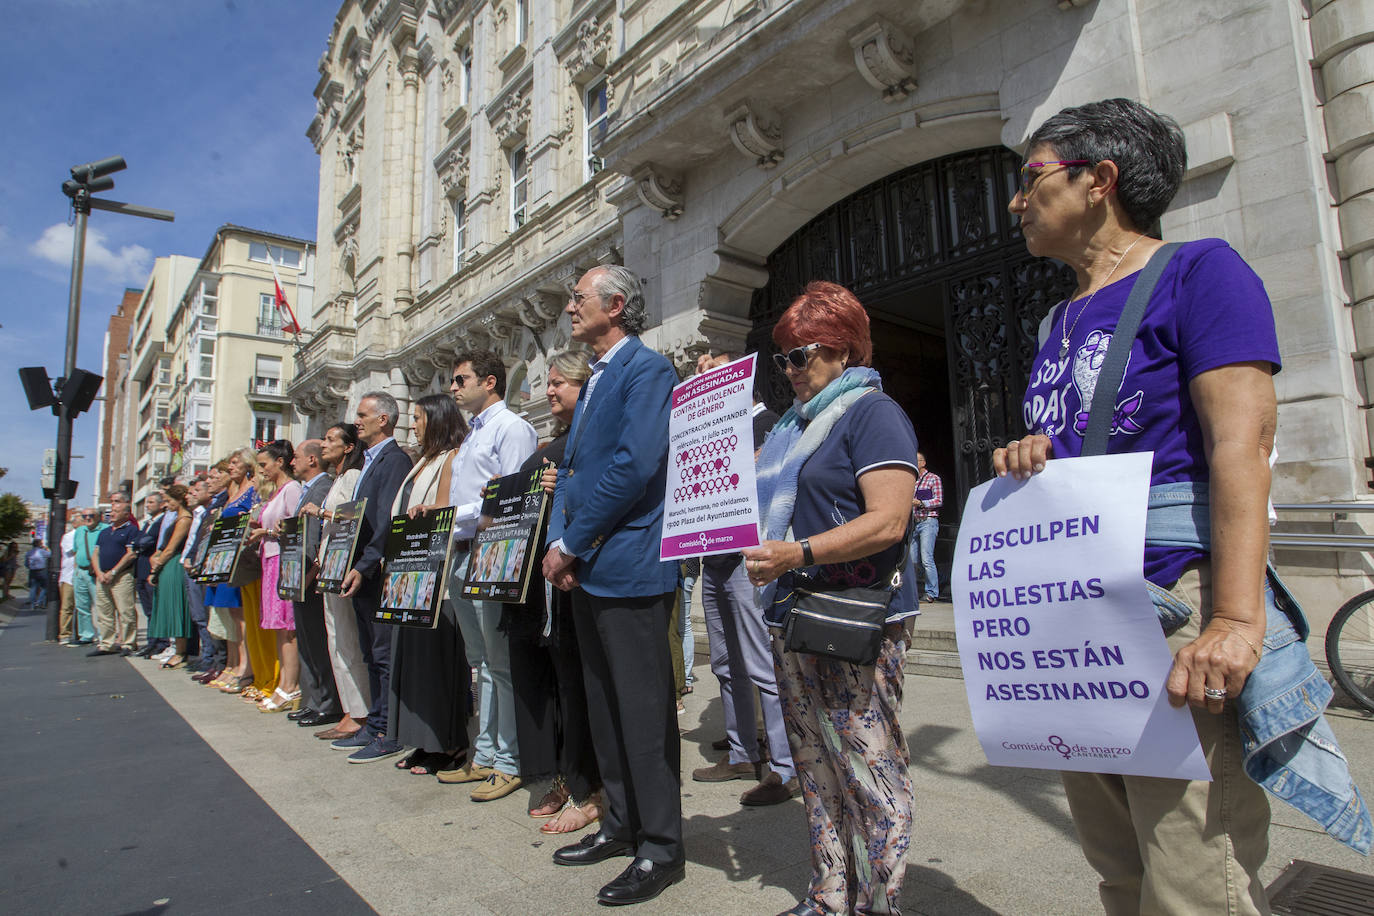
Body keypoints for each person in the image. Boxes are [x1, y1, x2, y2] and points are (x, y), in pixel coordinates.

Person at [995, 97, 1370, 913]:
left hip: (1172, 611)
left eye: (1030, 178)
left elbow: (1243, 444)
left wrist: (1235, 621)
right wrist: (1031, 457)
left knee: (1195, 876)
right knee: (1120, 868)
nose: (1016, 202)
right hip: (1079, 622)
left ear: (1100, 179)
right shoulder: (1055, 321)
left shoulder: (1202, 272)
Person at [743, 280, 918, 916]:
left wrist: (800, 552)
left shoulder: (874, 414)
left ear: (845, 352)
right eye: (782, 356)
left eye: (803, 353)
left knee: (871, 774)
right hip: (796, 615)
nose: (789, 368)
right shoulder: (792, 430)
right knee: (816, 771)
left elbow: (888, 521)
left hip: (856, 617)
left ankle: (877, 904)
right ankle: (828, 897)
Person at [541, 265, 684, 906]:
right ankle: (621, 825)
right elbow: (576, 468)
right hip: (591, 568)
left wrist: (573, 540)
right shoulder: (596, 376)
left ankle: (660, 846)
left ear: (616, 305)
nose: (571, 308)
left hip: (628, 566)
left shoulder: (645, 371)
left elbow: (634, 464)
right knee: (602, 705)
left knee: (642, 712)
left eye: (580, 298)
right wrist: (568, 546)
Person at [421, 349, 537, 800]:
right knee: (481, 663)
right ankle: (484, 754)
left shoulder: (512, 428)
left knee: (501, 664)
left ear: (490, 382)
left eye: (460, 379)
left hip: (494, 551)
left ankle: (510, 760)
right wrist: (444, 516)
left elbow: (514, 495)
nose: (453, 388)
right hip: (464, 551)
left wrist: (452, 512)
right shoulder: (472, 436)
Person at [693, 373, 797, 807]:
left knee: (758, 659)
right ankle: (741, 751)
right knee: (723, 658)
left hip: (745, 557)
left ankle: (784, 764)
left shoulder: (770, 424)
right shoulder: (710, 432)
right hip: (713, 558)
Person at [510, 349, 602, 834]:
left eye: (559, 383)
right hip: (546, 589)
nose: (548, 391)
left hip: (581, 579)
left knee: (583, 685)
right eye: (547, 383)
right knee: (563, 684)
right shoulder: (552, 446)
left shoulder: (586, 442)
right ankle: (572, 775)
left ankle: (589, 785)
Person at [388, 394, 469, 776]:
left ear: (436, 420)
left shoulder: (450, 458)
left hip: (437, 579)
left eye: (418, 418)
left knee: (436, 665)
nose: (413, 425)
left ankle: (447, 744)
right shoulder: (420, 462)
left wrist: (427, 512)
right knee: (413, 662)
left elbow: (444, 507)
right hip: (409, 575)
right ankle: (421, 741)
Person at [338, 392, 414, 762]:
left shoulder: (395, 459)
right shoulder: (368, 461)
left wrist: (364, 565)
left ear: (383, 419)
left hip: (377, 571)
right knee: (370, 651)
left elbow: (387, 520)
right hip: (362, 572)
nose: (357, 421)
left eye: (364, 414)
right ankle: (375, 721)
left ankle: (388, 729)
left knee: (383, 653)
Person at [299, 422, 371, 741]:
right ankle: (348, 708)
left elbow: (355, 516)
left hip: (343, 566)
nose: (324, 444)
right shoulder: (338, 478)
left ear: (348, 447)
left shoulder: (354, 477)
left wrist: (322, 513)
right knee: (335, 639)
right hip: (330, 564)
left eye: (331, 439)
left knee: (346, 639)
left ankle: (359, 711)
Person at [286, 440, 341, 729]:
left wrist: (307, 575)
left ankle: (327, 703)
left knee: (317, 643)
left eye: (296, 457)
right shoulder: (308, 489)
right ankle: (313, 700)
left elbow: (314, 538)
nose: (291, 462)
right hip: (298, 576)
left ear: (311, 460)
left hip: (309, 576)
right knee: (306, 643)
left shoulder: (322, 488)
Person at [251, 440, 304, 712]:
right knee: (279, 628)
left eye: (264, 464)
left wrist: (267, 532)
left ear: (280, 462)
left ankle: (291, 685)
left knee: (288, 627)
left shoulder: (292, 489)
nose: (261, 470)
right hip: (270, 560)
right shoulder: (276, 492)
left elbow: (297, 529)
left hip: (284, 561)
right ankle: (284, 682)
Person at [147, 483, 194, 668]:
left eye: (168, 501)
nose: (166, 505)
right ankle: (176, 650)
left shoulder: (184, 519)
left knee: (176, 609)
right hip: (168, 565)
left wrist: (155, 568)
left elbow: (171, 547)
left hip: (174, 565)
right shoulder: (177, 518)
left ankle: (181, 651)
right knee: (170, 608)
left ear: (178, 500)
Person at [89, 493, 142, 657]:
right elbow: (95, 554)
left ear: (126, 514)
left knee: (125, 611)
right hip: (103, 577)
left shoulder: (131, 530)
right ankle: (107, 643)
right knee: (104, 611)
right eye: (111, 511)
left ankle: (128, 642)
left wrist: (114, 572)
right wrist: (99, 573)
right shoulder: (104, 532)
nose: (112, 514)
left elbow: (130, 554)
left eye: (116, 511)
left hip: (121, 576)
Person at [911, 451, 942, 603]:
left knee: (926, 558)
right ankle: (913, 592)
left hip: (928, 521)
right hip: (914, 523)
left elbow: (939, 500)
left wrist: (922, 503)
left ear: (923, 463)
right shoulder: (912, 481)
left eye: (915, 460)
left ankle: (931, 592)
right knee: (912, 560)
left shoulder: (933, 479)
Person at [70, 509, 104, 646]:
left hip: (96, 572)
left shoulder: (105, 529)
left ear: (99, 517)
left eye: (91, 515)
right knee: (81, 605)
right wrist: (76, 571)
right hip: (80, 571)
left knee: (100, 605)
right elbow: (76, 551)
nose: (88, 518)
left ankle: (104, 636)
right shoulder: (80, 531)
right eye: (85, 516)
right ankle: (86, 635)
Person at [57, 511, 79, 643]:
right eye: (83, 518)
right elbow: (73, 551)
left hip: (82, 576)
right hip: (68, 576)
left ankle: (81, 634)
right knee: (67, 606)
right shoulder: (68, 536)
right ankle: (65, 634)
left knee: (83, 607)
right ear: (75, 523)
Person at [25, 539, 51, 609]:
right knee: (45, 587)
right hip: (41, 570)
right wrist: (47, 549)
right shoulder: (41, 551)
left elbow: (26, 564)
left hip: (32, 571)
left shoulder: (29, 553)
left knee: (33, 588)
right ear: (40, 544)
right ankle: (39, 602)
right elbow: (50, 555)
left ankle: (32, 604)